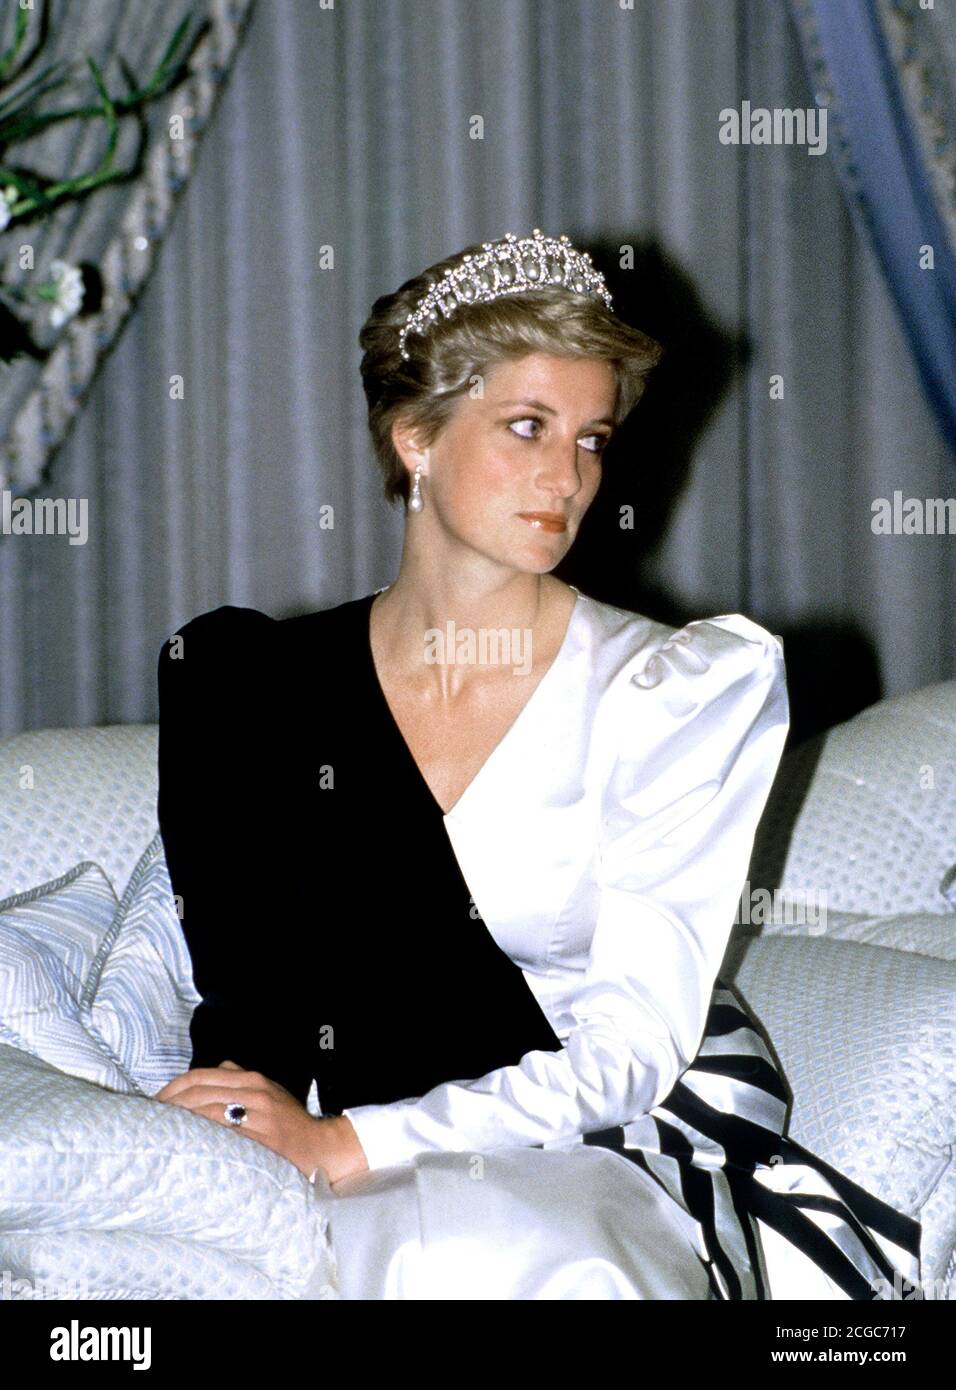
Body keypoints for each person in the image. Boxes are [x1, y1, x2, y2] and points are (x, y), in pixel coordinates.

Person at [154, 229, 922, 1300]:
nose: (568, 477)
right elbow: (246, 990)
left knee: (498, 1257)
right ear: (414, 436)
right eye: (526, 427)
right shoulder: (253, 683)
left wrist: (353, 1142)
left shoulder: (673, 690)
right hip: (342, 1141)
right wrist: (263, 1132)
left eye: (592, 437)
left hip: (591, 1138)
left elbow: (632, 1053)